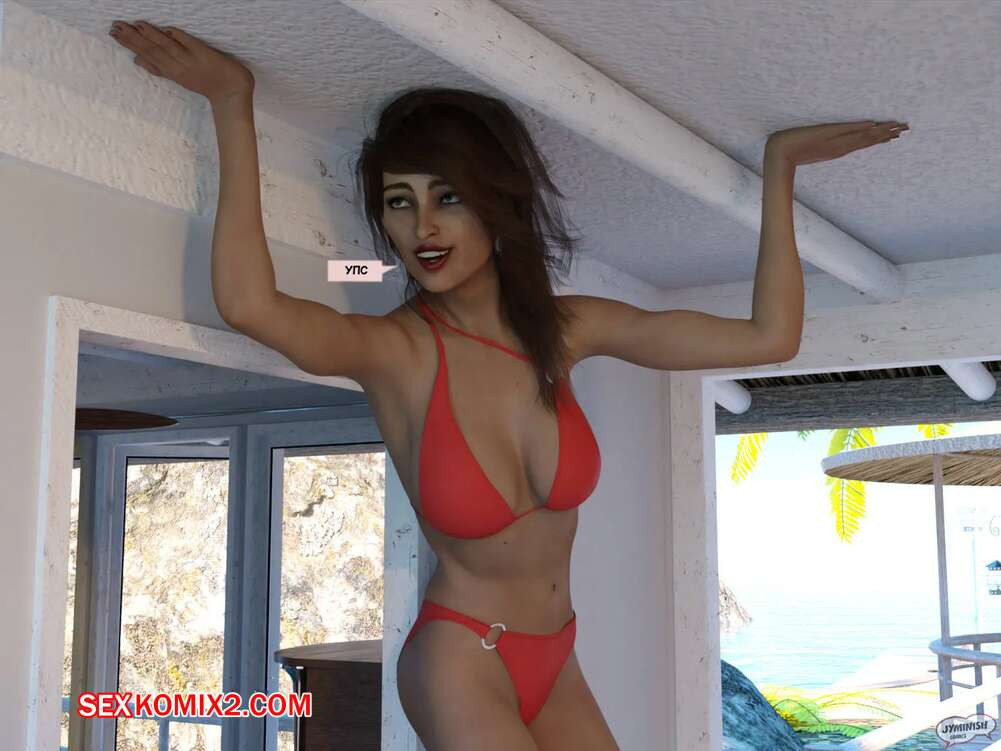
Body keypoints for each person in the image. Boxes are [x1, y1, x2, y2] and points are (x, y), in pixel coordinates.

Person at [109, 17, 906, 750]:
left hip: (558, 656)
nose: (422, 226)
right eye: (399, 202)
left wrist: (778, 168)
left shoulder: (566, 330)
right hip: (462, 656)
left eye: (447, 196)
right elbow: (249, 303)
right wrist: (232, 101)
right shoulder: (394, 351)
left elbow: (769, 338)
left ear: (498, 206)